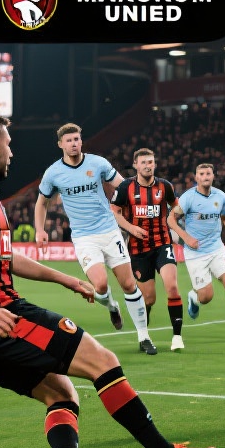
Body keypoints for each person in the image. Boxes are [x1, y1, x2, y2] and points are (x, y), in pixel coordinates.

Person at [0, 111, 218, 448]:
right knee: (102, 360)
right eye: (8, 145)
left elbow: (5, 259)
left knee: (61, 394)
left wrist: (65, 279)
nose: (12, 153)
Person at [34, 122, 156, 355]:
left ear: (81, 141)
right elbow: (42, 203)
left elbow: (123, 186)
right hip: (84, 238)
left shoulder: (98, 163)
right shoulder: (53, 173)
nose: (74, 144)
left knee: (129, 284)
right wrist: (40, 229)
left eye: (77, 139)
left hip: (109, 231)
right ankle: (111, 306)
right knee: (99, 286)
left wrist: (137, 205)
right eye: (69, 140)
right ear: (60, 144)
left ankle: (144, 337)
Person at [167, 162, 225, 341]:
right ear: (196, 177)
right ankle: (194, 297)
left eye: (208, 173)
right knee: (206, 297)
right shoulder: (188, 198)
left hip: (217, 249)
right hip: (195, 253)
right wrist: (186, 238)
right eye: (202, 174)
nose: (205, 177)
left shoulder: (220, 197)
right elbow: (170, 219)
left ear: (213, 176)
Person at [110, 147, 186, 351]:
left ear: (155, 164)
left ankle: (177, 337)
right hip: (138, 249)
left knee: (172, 287)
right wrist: (131, 228)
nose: (147, 166)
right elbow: (114, 212)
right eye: (143, 162)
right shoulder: (126, 187)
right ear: (135, 165)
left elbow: (176, 206)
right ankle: (144, 330)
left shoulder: (165, 186)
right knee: (149, 298)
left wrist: (176, 218)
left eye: (150, 162)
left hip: (163, 244)